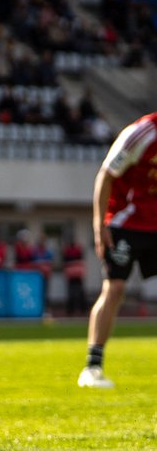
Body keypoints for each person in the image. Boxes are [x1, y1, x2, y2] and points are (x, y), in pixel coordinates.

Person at [78, 112, 157, 388]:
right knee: (115, 289)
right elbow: (106, 174)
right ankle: (92, 367)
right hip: (126, 222)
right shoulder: (142, 133)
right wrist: (100, 225)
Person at [62, 236, 88, 317]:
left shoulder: (76, 249)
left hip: (76, 274)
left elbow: (81, 260)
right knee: (72, 293)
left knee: (79, 292)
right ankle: (71, 310)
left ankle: (81, 309)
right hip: (72, 274)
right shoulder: (68, 250)